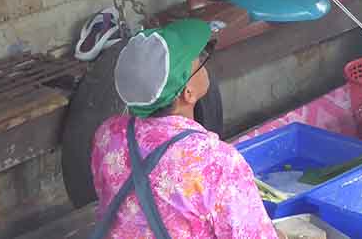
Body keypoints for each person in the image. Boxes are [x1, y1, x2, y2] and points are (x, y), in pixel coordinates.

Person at [91, 19, 276, 239]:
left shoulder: (108, 135)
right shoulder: (217, 162)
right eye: (198, 60)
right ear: (187, 93)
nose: (203, 61)